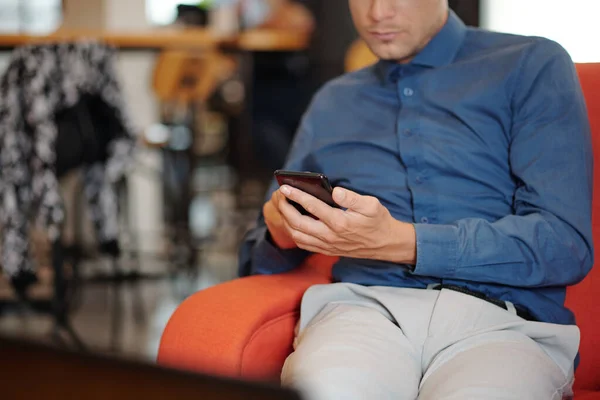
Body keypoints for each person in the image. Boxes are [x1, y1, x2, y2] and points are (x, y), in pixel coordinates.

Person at [238, 0, 594, 398]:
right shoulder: (332, 102)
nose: (377, 13)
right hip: (363, 312)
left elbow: (564, 245)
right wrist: (282, 231)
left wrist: (402, 242)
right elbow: (263, 254)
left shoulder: (530, 65)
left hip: (500, 324)